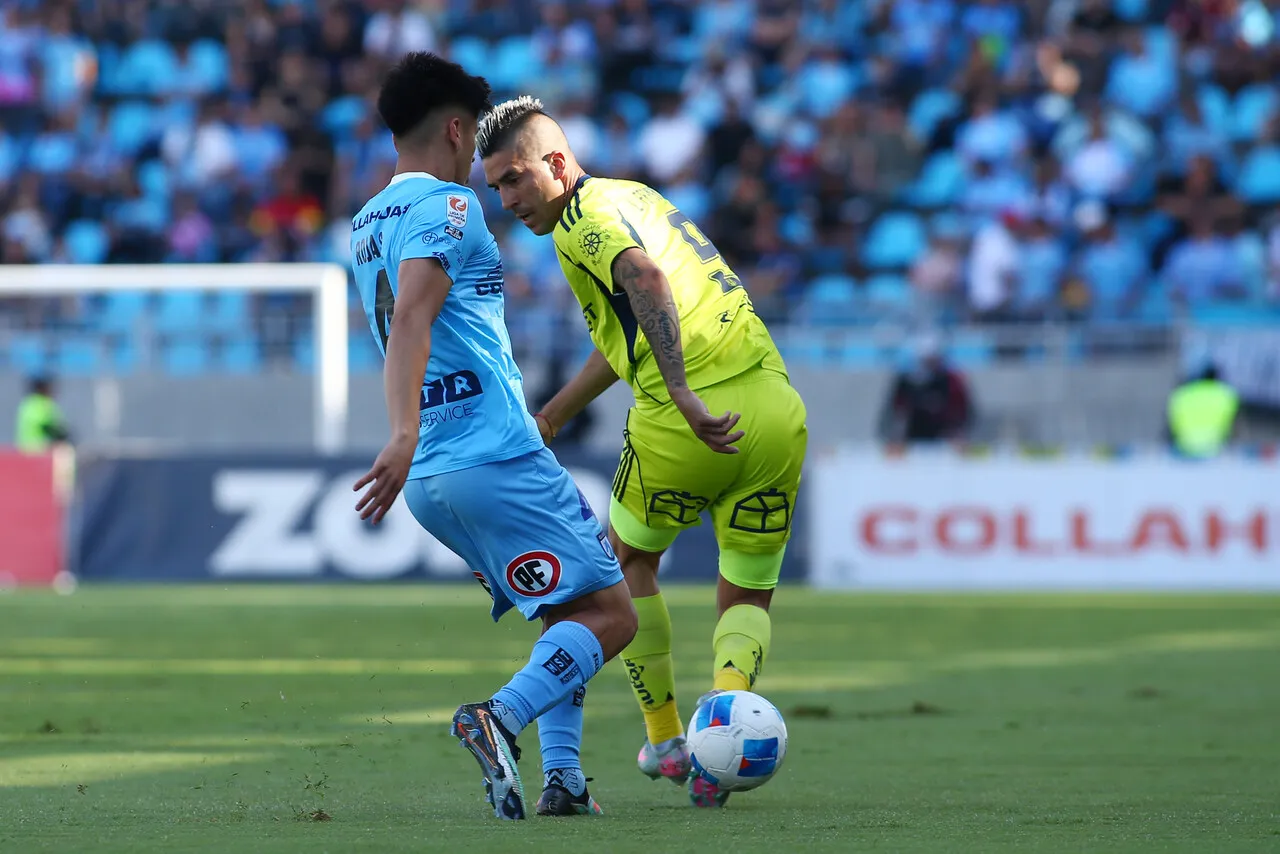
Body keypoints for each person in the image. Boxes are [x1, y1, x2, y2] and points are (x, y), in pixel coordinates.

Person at [478, 96, 808, 809]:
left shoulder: (580, 222)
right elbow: (623, 332)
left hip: (682, 421)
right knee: (747, 592)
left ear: (557, 164)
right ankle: (722, 737)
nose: (507, 201)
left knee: (624, 570)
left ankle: (666, 740)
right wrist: (558, 413)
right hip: (775, 410)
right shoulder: (635, 196)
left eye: (514, 179)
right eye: (496, 186)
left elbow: (646, 281)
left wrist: (684, 394)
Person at [348, 54, 637, 821]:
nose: (482, 169)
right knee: (614, 615)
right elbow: (411, 316)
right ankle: (499, 717)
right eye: (475, 142)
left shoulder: (365, 221)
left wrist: (414, 439)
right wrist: (401, 432)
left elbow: (405, 322)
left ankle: (565, 781)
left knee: (566, 615)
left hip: (440, 480)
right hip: (490, 451)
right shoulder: (450, 207)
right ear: (454, 129)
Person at [1165, 361, 1239, 459]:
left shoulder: (1181, 394)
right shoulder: (1226, 394)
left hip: (1184, 447)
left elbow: (1170, 427)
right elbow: (1235, 425)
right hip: (1215, 448)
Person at [15, 375, 71, 454]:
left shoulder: (27, 403)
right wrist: (63, 435)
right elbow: (46, 426)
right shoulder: (41, 403)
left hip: (24, 450)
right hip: (38, 450)